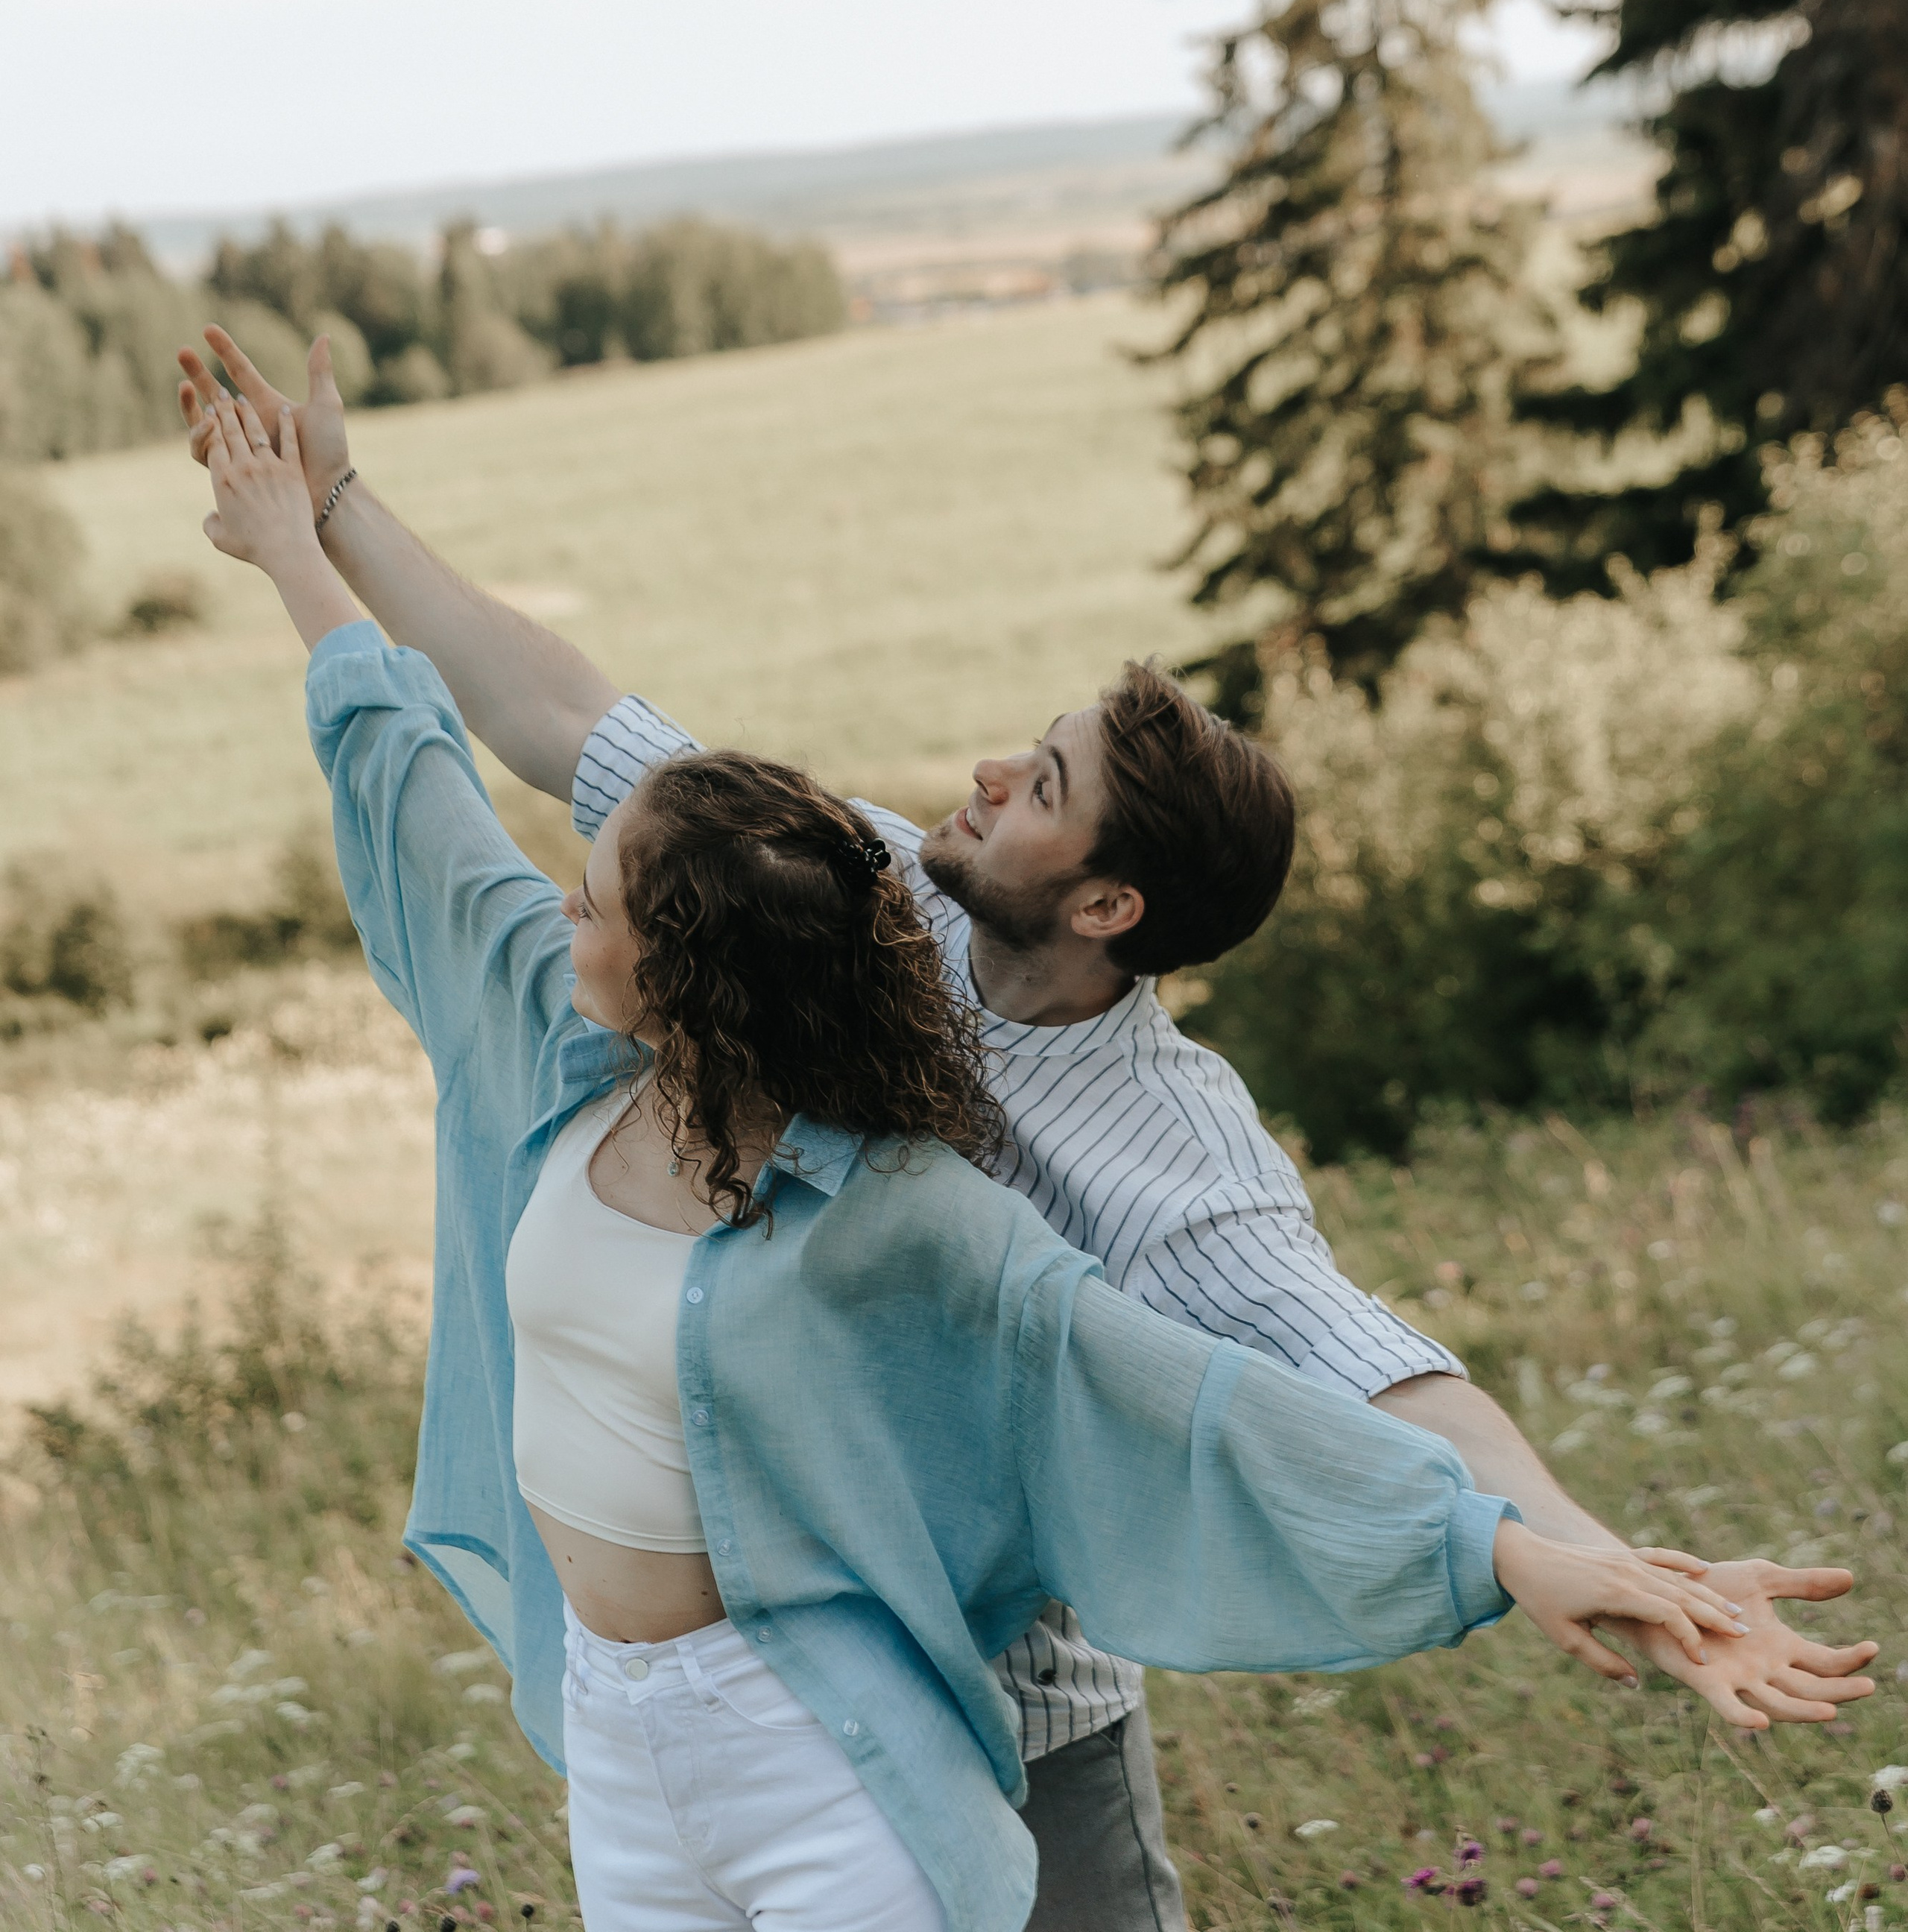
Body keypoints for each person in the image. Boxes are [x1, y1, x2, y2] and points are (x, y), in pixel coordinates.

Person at [180, 330, 1879, 1931]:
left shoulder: (1168, 1147)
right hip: (746, 1667)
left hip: (1010, 1703)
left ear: (1107, 904)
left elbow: (1382, 1383)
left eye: (1042, 788)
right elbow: (571, 730)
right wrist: (336, 512)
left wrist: (1595, 1563)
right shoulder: (855, 896)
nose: (992, 773)